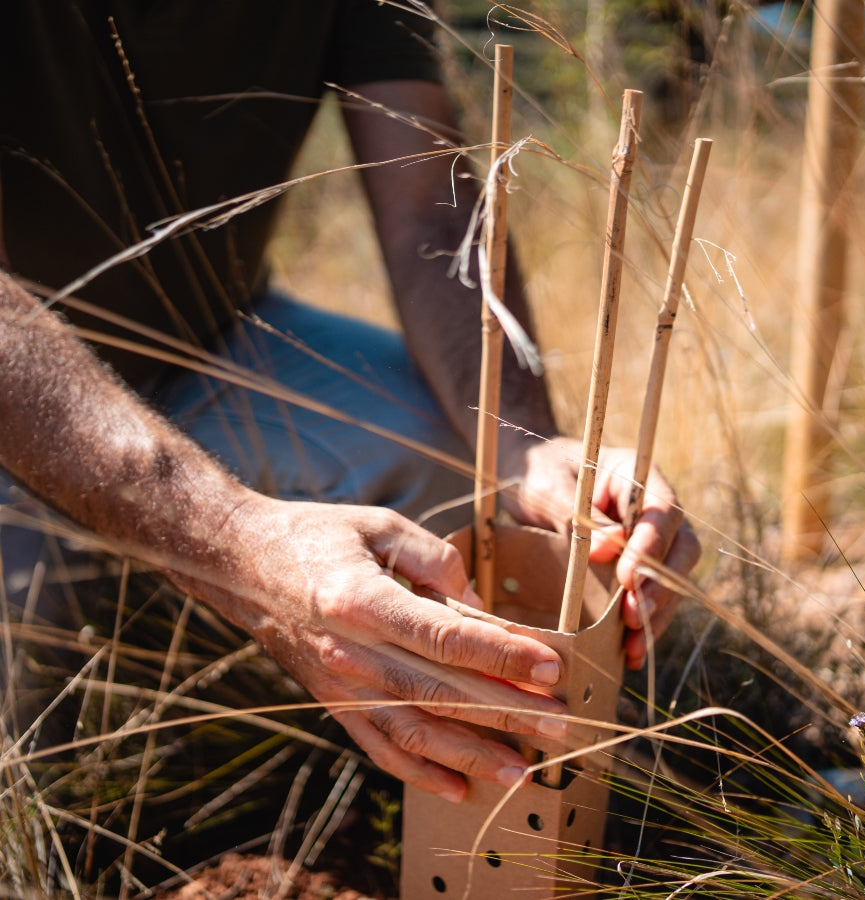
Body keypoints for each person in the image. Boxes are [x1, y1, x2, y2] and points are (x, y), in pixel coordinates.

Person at [0, 1, 699, 805]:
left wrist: (524, 446)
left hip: (214, 345)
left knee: (467, 493)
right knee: (37, 761)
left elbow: (424, 201)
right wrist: (233, 540)